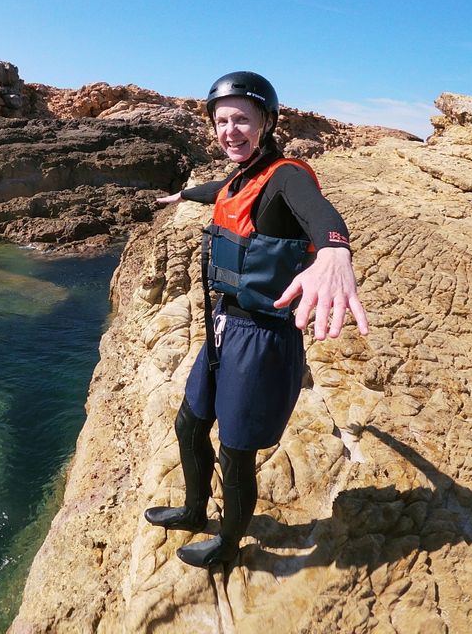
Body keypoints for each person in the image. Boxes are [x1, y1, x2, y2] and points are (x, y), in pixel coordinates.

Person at [144, 71, 369, 568]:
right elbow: (224, 189)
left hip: (262, 338)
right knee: (189, 424)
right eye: (222, 121)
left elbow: (322, 215)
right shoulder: (243, 174)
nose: (230, 130)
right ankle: (194, 508)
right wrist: (184, 196)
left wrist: (335, 252)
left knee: (237, 450)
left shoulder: (288, 174)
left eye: (242, 119)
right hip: (223, 324)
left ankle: (228, 544)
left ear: (266, 122)